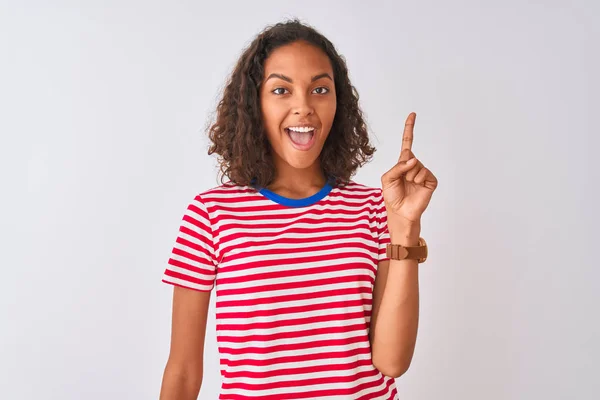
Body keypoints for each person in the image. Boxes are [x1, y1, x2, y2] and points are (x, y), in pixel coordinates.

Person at [159, 19, 438, 400]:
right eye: (281, 90)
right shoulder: (212, 215)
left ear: (338, 103)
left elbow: (392, 362)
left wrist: (405, 227)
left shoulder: (374, 208)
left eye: (320, 89)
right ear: (255, 104)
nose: (303, 107)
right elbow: (183, 372)